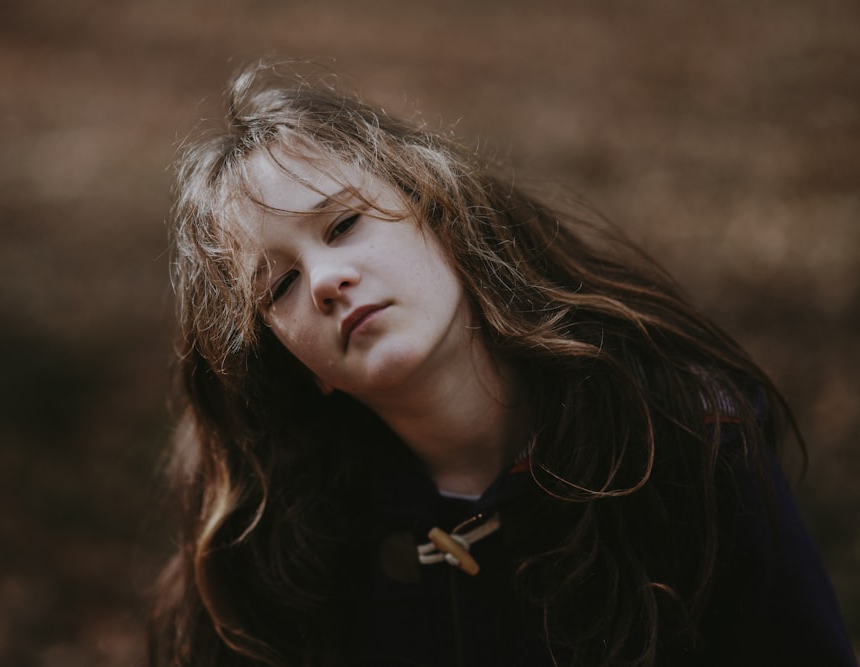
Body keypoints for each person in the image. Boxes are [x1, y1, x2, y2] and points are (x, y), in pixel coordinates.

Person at [149, 61, 855, 667]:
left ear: (441, 213)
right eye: (281, 285)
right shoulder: (274, 549)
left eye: (343, 224)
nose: (328, 278)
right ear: (297, 364)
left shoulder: (684, 440)